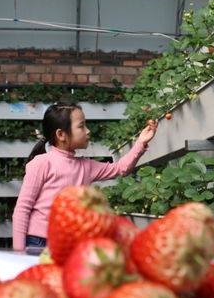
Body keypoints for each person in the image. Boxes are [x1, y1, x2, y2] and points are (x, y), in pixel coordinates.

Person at [12, 101, 158, 251]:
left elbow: (121, 169)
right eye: (81, 126)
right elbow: (22, 209)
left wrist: (140, 142)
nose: (88, 131)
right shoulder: (41, 163)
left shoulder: (86, 166)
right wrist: (18, 251)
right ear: (61, 134)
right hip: (38, 242)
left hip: (70, 242)